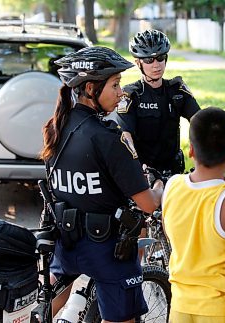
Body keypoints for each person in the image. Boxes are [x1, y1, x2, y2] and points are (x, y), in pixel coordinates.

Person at [40, 46, 164, 322]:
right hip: (108, 252)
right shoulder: (109, 137)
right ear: (92, 88)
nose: (121, 92)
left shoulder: (56, 128)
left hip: (67, 245)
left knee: (45, 308)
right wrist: (159, 187)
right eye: (115, 85)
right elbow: (146, 204)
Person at [162, 107, 225, 323]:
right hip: (219, 312)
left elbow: (171, 236)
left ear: (191, 150)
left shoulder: (172, 186)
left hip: (179, 308)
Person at [112, 29, 200, 174]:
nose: (156, 65)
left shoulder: (177, 90)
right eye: (148, 60)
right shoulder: (131, 94)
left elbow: (201, 120)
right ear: (138, 62)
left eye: (160, 58)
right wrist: (135, 166)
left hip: (174, 171)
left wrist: (222, 147)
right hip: (143, 173)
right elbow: (125, 135)